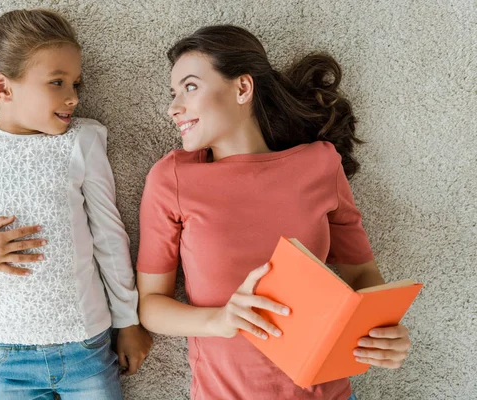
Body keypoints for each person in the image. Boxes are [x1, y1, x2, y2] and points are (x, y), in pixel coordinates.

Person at [136, 25, 411, 400]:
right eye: (173, 93)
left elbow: (362, 273)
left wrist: (384, 332)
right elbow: (151, 306)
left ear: (242, 88)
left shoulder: (320, 163)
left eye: (190, 87)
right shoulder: (172, 179)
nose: (173, 108)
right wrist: (220, 319)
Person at [0, 9, 151, 400]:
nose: (73, 96)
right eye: (57, 82)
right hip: (7, 354)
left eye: (76, 82)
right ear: (3, 87)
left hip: (86, 344)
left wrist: (128, 320)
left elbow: (110, 237)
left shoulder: (83, 141)